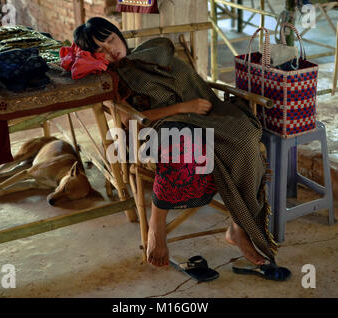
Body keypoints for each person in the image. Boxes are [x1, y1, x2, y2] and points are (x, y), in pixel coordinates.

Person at [73, 17, 277, 269]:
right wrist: (184, 107)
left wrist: (194, 106)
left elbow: (194, 85)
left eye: (111, 40)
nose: (111, 50)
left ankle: (238, 228)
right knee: (185, 149)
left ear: (118, 33)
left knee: (245, 136)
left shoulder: (154, 52)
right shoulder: (112, 78)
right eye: (100, 50)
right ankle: (156, 228)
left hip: (201, 116)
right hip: (155, 130)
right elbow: (133, 119)